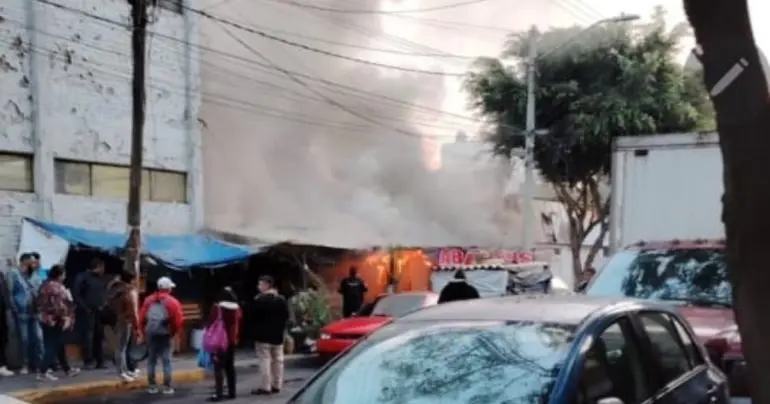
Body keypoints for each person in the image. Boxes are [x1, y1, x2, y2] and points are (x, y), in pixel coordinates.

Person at [138, 276, 183, 395]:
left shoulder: (148, 300)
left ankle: (152, 386)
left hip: (151, 333)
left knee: (151, 360)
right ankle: (167, 387)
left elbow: (141, 317)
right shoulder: (173, 302)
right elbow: (177, 321)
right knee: (166, 361)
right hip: (165, 334)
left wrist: (143, 331)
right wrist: (172, 333)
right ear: (168, 288)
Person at [36, 265, 80, 380]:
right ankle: (43, 372)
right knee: (52, 346)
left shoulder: (44, 285)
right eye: (64, 274)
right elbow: (60, 306)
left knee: (59, 345)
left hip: (45, 318)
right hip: (55, 321)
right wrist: (66, 317)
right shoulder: (57, 288)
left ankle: (67, 369)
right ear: (59, 275)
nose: (65, 277)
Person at [250, 275, 290, 396]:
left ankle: (265, 386)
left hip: (263, 337)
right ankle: (277, 384)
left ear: (267, 285)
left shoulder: (260, 300)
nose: (259, 287)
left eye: (260, 284)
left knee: (265, 361)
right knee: (278, 360)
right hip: (277, 335)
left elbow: (253, 316)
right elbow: (286, 316)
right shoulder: (281, 299)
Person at [8, 252, 43, 374]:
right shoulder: (14, 274)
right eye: (31, 262)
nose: (34, 264)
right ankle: (25, 364)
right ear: (25, 262)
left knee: (38, 338)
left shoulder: (35, 276)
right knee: (24, 339)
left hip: (35, 312)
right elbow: (11, 293)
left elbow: (40, 291)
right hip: (22, 312)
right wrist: (15, 309)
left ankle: (38, 364)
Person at [207, 287, 242, 402]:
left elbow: (211, 322)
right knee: (230, 367)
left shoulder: (217, 308)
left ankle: (219, 394)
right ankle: (232, 392)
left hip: (220, 342)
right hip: (232, 341)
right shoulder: (237, 309)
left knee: (218, 368)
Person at [73, 257, 108, 369]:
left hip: (99, 311)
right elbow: (77, 294)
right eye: (101, 267)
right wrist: (85, 308)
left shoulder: (100, 279)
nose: (103, 270)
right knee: (88, 337)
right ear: (96, 267)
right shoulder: (83, 278)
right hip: (87, 311)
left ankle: (100, 361)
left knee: (99, 336)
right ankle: (88, 361)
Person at [107, 271, 140, 382]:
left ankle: (125, 370)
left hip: (119, 319)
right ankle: (122, 372)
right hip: (127, 320)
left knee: (122, 348)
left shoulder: (118, 290)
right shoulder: (130, 292)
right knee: (121, 348)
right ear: (132, 280)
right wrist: (137, 326)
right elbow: (134, 311)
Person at [0, 271, 13, 377]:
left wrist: (8, 307)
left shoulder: (1, 275)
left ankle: (2, 365)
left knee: (3, 339)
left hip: (2, 313)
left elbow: (6, 293)